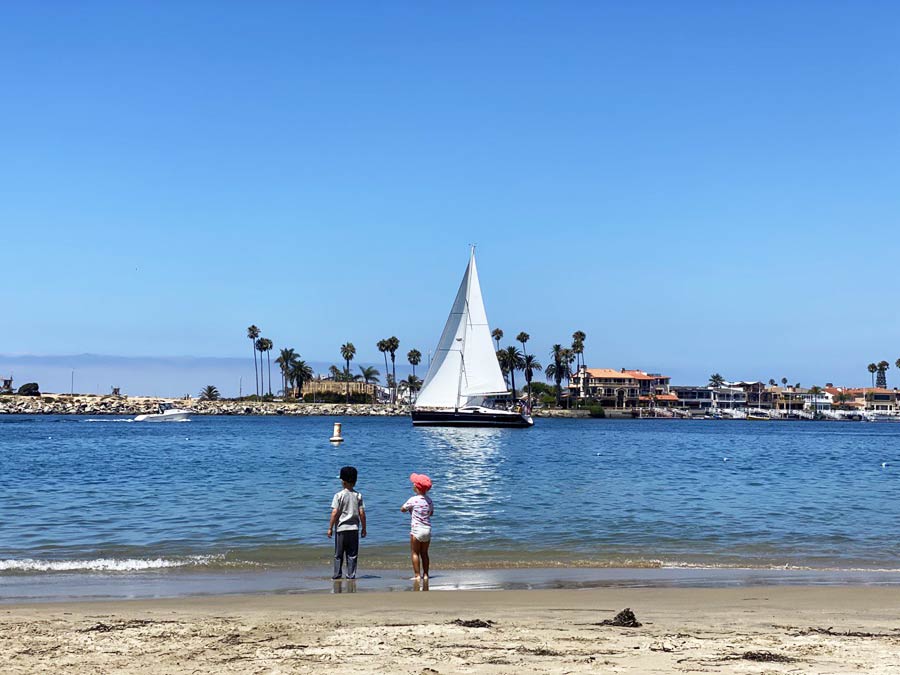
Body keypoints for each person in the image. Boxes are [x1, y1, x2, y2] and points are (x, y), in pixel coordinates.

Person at [327, 465, 366, 579]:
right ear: (355, 481)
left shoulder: (339, 495)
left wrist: (330, 528)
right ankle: (351, 574)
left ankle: (337, 574)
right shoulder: (358, 495)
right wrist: (364, 528)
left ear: (343, 482)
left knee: (338, 554)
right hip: (354, 529)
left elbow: (334, 513)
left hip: (341, 529)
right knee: (352, 554)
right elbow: (362, 514)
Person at [400, 472, 434, 581]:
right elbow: (431, 513)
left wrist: (408, 509)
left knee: (415, 552)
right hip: (427, 529)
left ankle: (417, 575)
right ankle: (426, 575)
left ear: (416, 487)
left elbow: (402, 509)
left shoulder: (413, 500)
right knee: (424, 553)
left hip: (416, 530)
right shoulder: (429, 500)